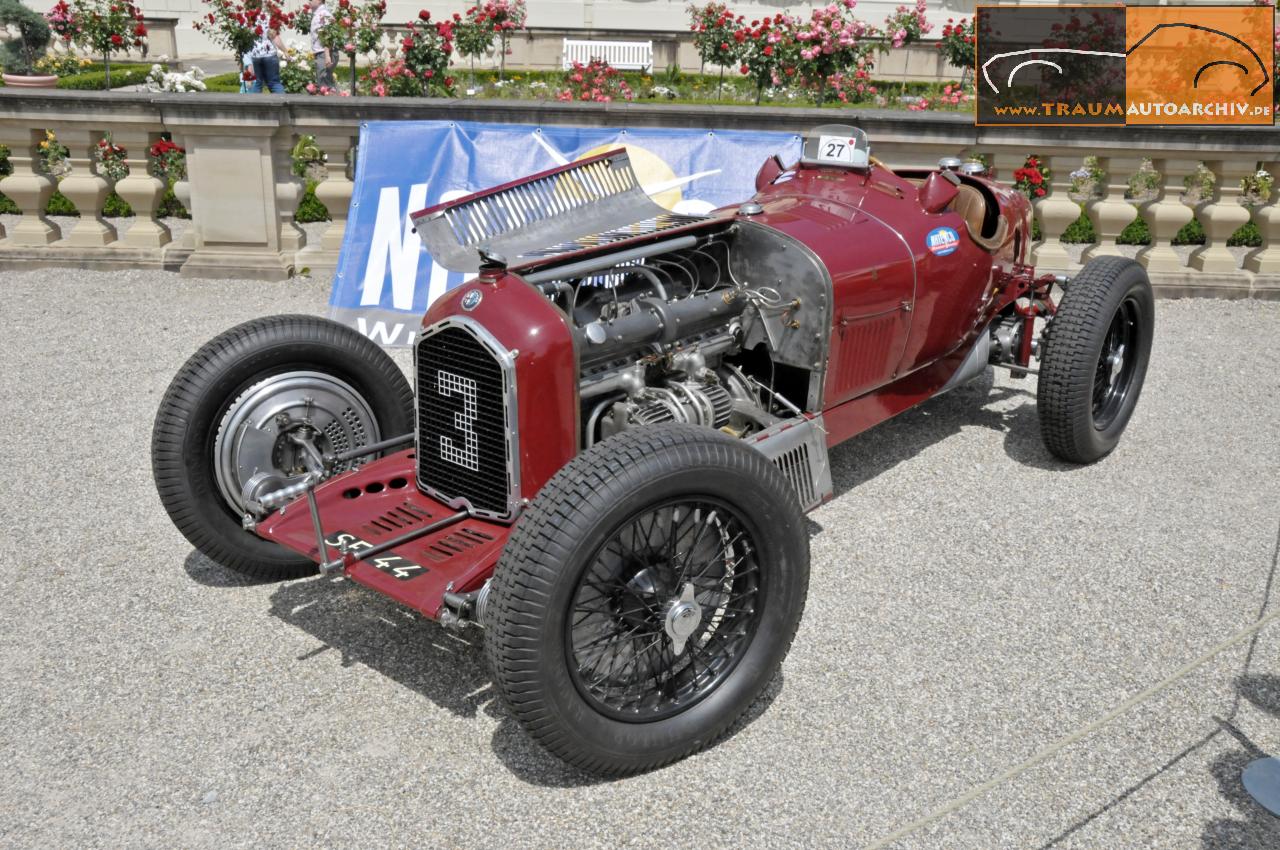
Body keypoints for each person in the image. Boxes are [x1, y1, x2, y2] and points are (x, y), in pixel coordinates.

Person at [246, 17, 287, 94]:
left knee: (258, 83)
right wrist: (285, 51)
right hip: (269, 54)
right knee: (274, 83)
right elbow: (274, 37)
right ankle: (281, 103)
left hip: (255, 55)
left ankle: (254, 105)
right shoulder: (267, 17)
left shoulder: (248, 17)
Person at [309, 0, 336, 90]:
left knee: (325, 86)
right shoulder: (319, 14)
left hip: (324, 53)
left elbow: (328, 35)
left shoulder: (323, 14)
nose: (309, 1)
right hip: (322, 53)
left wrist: (327, 56)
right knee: (325, 84)